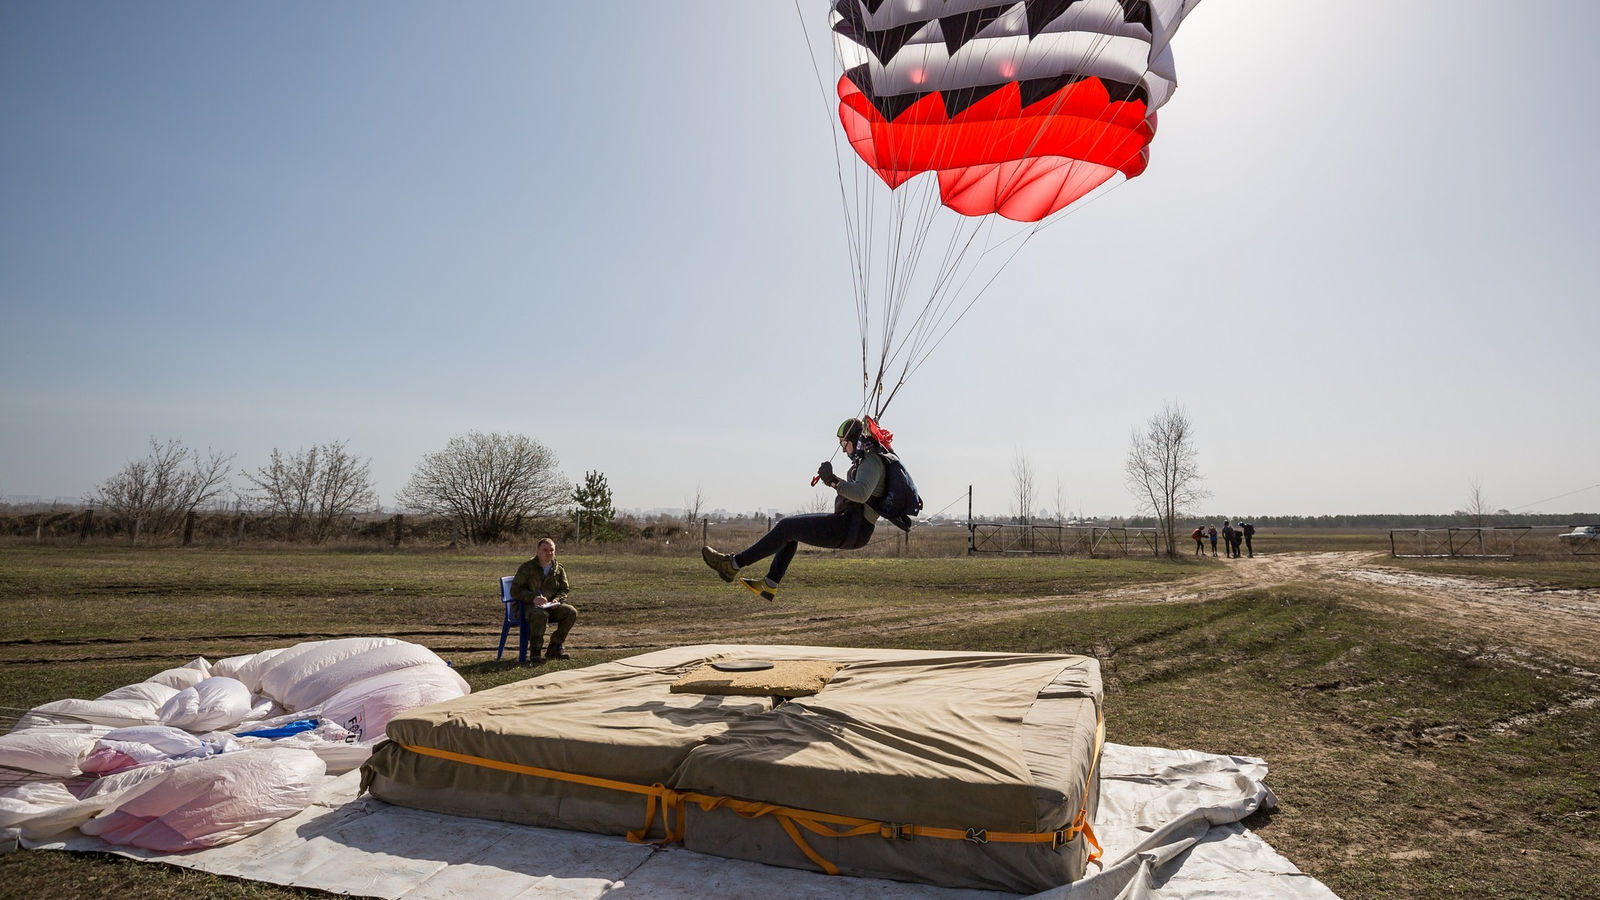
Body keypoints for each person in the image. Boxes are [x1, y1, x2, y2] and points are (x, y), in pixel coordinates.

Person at [702, 417, 885, 601]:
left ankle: (732, 565)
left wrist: (832, 481)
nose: (844, 448)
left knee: (787, 527)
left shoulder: (870, 462)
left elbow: (861, 494)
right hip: (850, 524)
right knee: (790, 530)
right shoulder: (865, 461)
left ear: (855, 439)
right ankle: (770, 584)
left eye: (844, 443)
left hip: (854, 528)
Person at [509, 537, 578, 664]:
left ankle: (555, 647)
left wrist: (556, 600)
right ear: (538, 551)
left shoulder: (558, 569)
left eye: (552, 550)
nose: (549, 553)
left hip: (550, 607)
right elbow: (515, 590)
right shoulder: (527, 568)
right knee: (539, 615)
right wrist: (533, 598)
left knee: (571, 612)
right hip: (527, 607)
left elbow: (564, 589)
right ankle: (535, 652)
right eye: (545, 550)